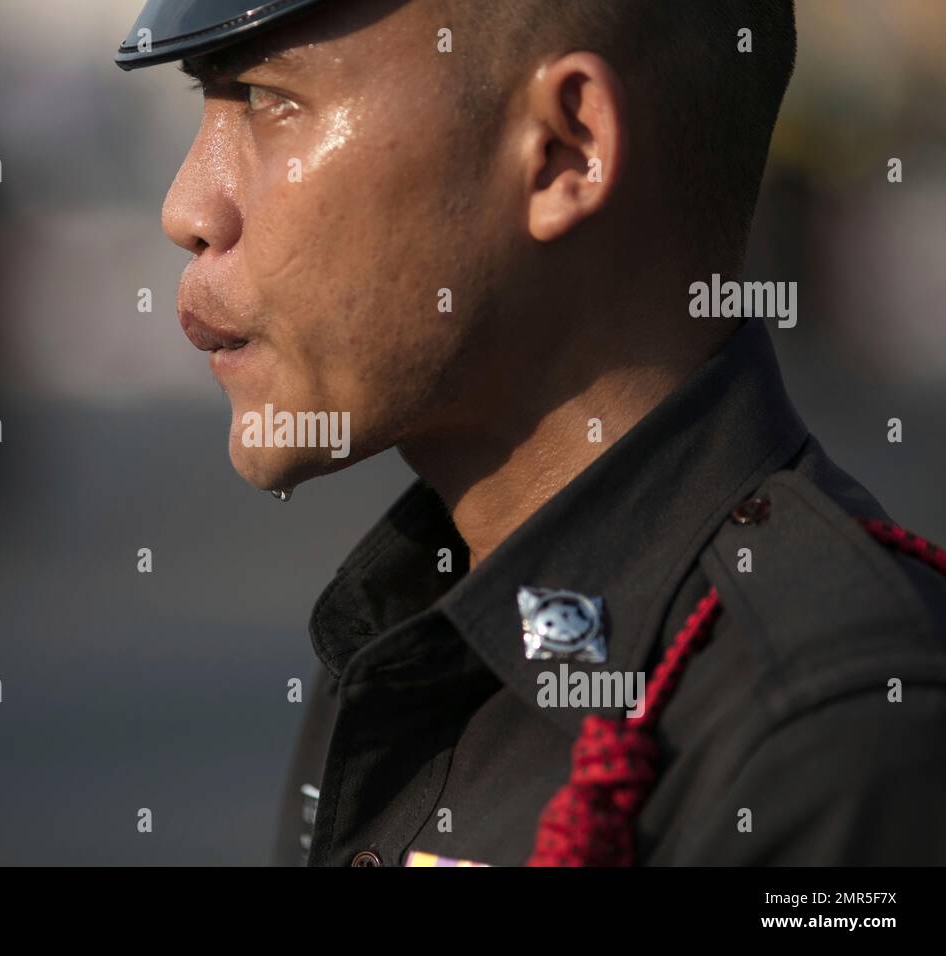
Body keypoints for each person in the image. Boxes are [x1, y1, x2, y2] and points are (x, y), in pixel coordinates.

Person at [116, 0, 946, 865]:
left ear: (564, 150)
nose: (187, 208)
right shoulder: (409, 627)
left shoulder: (837, 728)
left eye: (264, 97)